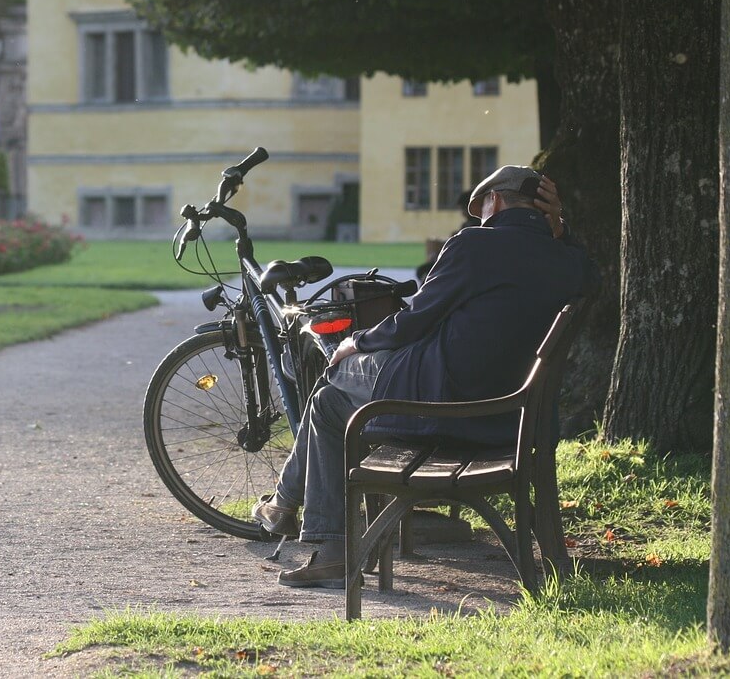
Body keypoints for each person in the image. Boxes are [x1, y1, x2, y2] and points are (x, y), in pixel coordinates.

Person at [251, 166, 600, 587]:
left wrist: (356, 342)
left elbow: (415, 318)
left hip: (444, 408)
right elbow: (590, 275)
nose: (479, 217)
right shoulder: (569, 260)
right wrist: (562, 228)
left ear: (497, 201)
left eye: (482, 207)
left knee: (330, 393)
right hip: (517, 420)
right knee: (333, 396)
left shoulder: (475, 245)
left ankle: (314, 532)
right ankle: (286, 507)